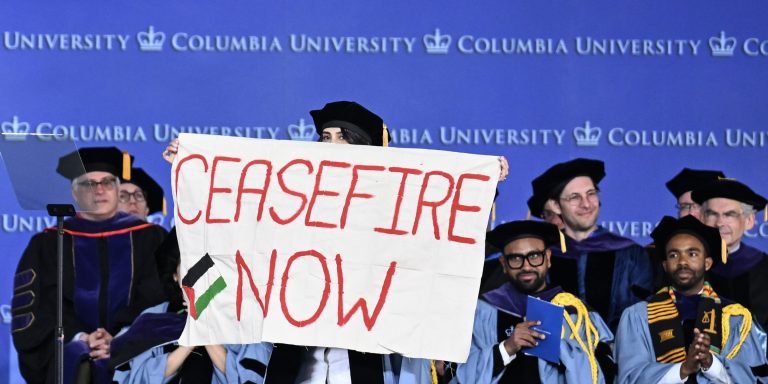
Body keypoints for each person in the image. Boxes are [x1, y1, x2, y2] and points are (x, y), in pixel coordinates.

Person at [163, 101, 486, 382]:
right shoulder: (292, 201)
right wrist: (191, 165)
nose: (332, 145)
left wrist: (481, 179)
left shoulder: (393, 209)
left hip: (363, 360)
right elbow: (241, 213)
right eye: (325, 137)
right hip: (299, 361)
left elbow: (437, 233)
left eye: (344, 138)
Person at [11, 147, 167, 384]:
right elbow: (40, 304)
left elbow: (157, 294)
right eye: (88, 184)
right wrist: (81, 336)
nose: (99, 190)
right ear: (74, 193)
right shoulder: (50, 242)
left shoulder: (151, 238)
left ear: (118, 189)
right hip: (70, 351)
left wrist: (121, 335)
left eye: (107, 182)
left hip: (137, 345)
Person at [450, 220, 615, 383]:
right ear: (503, 264)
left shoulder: (575, 312)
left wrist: (560, 348)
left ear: (548, 258)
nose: (526, 266)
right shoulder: (482, 310)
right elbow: (455, 372)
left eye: (535, 256)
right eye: (515, 258)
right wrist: (506, 349)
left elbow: (605, 369)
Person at [614, 215, 768, 383]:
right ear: (665, 266)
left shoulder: (735, 318)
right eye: (673, 255)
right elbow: (629, 378)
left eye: (692, 254)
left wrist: (711, 363)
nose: (682, 262)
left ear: (707, 263)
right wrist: (684, 368)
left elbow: (753, 379)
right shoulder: (637, 316)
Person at [111, 228, 263, 383]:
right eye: (189, 266)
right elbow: (135, 379)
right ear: (175, 275)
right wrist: (190, 339)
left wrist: (203, 327)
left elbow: (251, 378)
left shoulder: (244, 318)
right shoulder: (153, 319)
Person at [532, 158, 653, 330]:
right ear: (556, 206)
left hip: (620, 353)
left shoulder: (631, 254)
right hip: (560, 353)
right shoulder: (544, 258)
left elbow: (641, 314)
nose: (586, 204)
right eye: (575, 197)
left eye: (591, 193)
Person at [691, 178, 768, 330]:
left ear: (749, 221)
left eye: (729, 214)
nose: (720, 222)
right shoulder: (687, 266)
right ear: (701, 218)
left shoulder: (764, 267)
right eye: (712, 214)